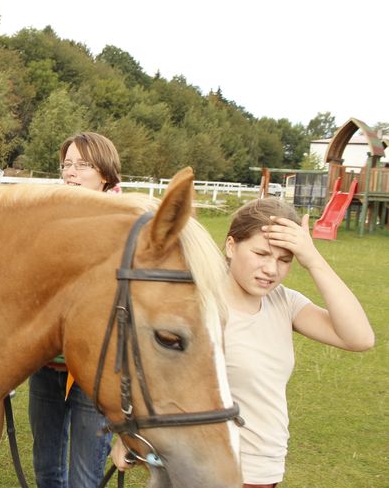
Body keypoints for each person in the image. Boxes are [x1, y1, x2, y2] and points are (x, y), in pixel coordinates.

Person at [111, 197, 374, 487]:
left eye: (284, 260)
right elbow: (152, 374)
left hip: (267, 468)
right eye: (261, 253)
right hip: (205, 469)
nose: (271, 270)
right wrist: (127, 434)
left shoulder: (284, 303)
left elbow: (359, 338)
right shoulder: (198, 307)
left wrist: (313, 259)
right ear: (231, 246)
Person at [29, 132, 120, 488]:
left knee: (85, 479)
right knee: (46, 471)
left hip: (96, 374)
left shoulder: (125, 226)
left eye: (83, 165)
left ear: (105, 174)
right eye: (67, 164)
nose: (71, 172)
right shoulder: (47, 223)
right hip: (47, 366)